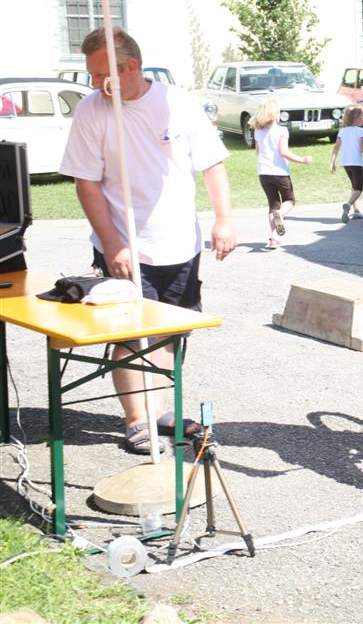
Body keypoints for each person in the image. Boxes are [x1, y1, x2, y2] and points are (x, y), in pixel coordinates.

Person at [59, 26, 237, 455]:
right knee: (127, 336)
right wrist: (114, 243)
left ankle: (160, 409)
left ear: (132, 67)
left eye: (102, 74)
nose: (95, 84)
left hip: (180, 245)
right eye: (90, 74)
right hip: (122, 245)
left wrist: (224, 220)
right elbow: (87, 185)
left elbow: (212, 164)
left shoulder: (178, 104)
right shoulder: (91, 111)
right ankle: (136, 420)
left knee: (170, 334)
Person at [249, 99, 313, 249]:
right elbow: (284, 152)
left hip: (263, 173)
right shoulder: (281, 131)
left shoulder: (258, 131)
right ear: (275, 115)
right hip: (280, 172)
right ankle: (280, 215)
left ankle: (274, 238)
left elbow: (258, 152)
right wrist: (303, 160)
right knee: (289, 201)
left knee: (273, 204)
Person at [329, 105, 363, 223]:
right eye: (362, 116)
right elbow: (362, 149)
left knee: (354, 186)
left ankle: (357, 210)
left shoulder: (342, 131)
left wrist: (332, 162)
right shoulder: (361, 131)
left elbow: (336, 147)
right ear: (357, 117)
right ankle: (348, 205)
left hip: (346, 164)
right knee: (358, 189)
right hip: (356, 163)